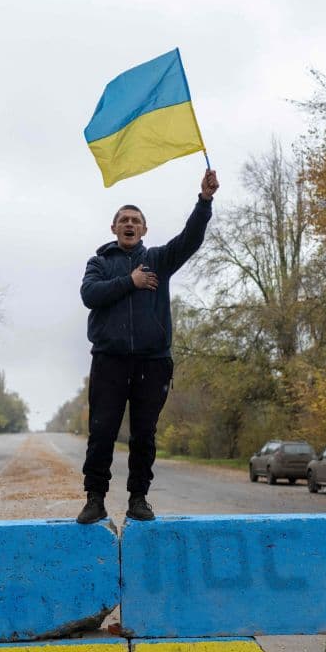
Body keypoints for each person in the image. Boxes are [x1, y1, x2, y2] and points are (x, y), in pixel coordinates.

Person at [76, 169, 219, 524]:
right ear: (114, 229)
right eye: (123, 219)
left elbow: (190, 239)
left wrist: (204, 201)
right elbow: (89, 295)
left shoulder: (158, 260)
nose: (129, 224)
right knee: (102, 431)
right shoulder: (99, 263)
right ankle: (95, 499)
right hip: (109, 361)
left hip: (152, 363)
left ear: (144, 229)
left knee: (144, 435)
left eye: (135, 220)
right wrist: (131, 281)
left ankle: (139, 498)